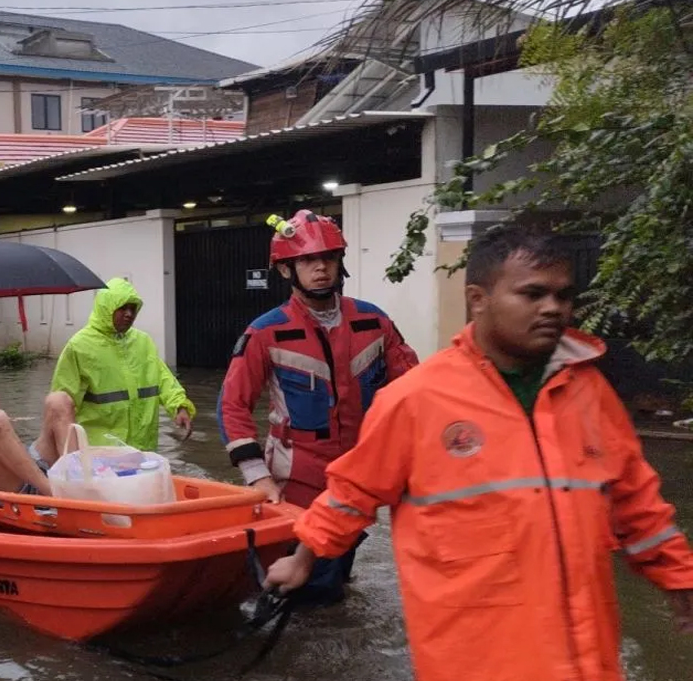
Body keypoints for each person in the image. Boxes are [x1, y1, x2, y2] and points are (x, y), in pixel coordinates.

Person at [265, 225, 693, 681]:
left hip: (586, 661)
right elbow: (353, 491)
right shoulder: (415, 402)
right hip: (476, 660)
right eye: (532, 294)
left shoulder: (589, 394)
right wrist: (303, 556)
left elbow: (637, 505)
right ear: (478, 299)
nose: (553, 308)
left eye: (562, 296)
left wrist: (679, 577)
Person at [216, 208, 418, 606]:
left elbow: (414, 390)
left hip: (356, 481)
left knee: (337, 573)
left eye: (328, 258)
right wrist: (258, 477)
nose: (320, 268)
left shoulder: (374, 321)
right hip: (295, 481)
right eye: (308, 260)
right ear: (287, 270)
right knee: (313, 592)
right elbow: (233, 406)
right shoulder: (264, 332)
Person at [51, 277, 194, 451]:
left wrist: (179, 407)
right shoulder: (79, 347)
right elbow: (61, 404)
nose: (129, 314)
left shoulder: (143, 342)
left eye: (133, 308)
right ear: (106, 308)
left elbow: (164, 379)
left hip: (143, 449)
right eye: (122, 308)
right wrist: (69, 456)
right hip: (100, 452)